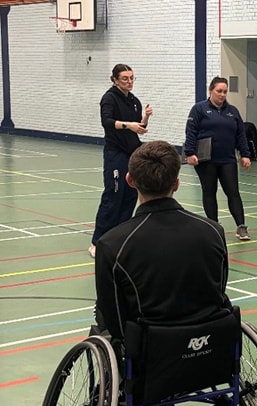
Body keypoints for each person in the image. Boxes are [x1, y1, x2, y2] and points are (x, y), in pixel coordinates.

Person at [94, 140, 231, 342]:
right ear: (176, 183)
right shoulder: (214, 231)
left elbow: (117, 324)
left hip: (151, 357)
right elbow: (218, 294)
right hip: (210, 349)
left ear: (130, 180)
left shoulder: (112, 244)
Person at [89, 63, 152, 259]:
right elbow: (107, 122)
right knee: (113, 195)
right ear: (115, 80)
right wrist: (128, 125)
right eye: (125, 78)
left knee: (130, 196)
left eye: (132, 78)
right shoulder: (109, 98)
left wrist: (145, 119)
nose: (129, 81)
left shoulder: (134, 101)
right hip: (115, 154)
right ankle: (97, 241)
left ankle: (121, 238)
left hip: (133, 153)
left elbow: (139, 126)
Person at [184, 76, 252, 241]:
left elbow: (240, 135)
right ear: (211, 91)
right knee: (209, 192)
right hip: (206, 160)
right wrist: (189, 153)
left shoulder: (232, 111)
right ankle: (213, 226)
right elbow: (191, 132)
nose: (222, 95)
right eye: (219, 91)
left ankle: (241, 227)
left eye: (224, 92)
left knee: (233, 192)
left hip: (227, 159)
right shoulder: (199, 109)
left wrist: (245, 154)